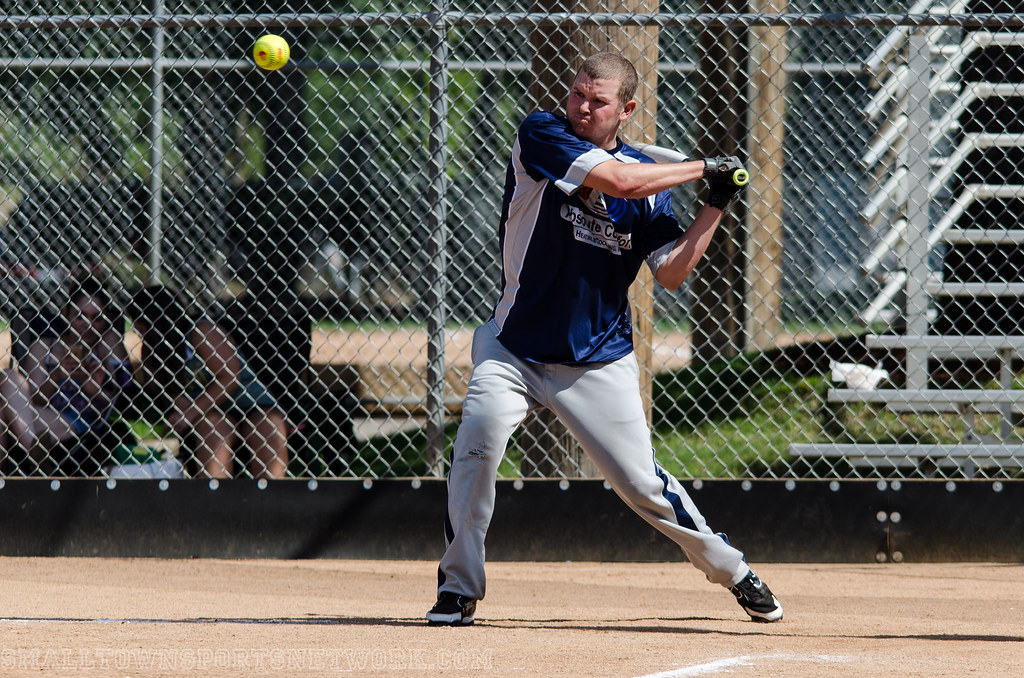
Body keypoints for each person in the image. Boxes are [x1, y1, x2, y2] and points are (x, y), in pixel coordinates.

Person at [426, 52, 783, 626]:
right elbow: (620, 179)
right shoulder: (542, 134)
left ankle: (733, 570)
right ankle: (459, 587)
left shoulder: (651, 188)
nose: (582, 107)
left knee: (642, 485)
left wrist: (716, 203)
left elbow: (669, 272)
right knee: (479, 441)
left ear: (627, 110)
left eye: (598, 100)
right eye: (577, 94)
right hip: (512, 344)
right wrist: (701, 167)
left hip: (596, 359)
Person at [126, 285, 288, 480]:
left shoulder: (200, 331)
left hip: (250, 402)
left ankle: (270, 498)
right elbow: (170, 394)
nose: (137, 329)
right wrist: (181, 410)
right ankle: (216, 501)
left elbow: (230, 378)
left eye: (141, 322)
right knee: (214, 428)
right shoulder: (152, 351)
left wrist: (190, 413)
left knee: (267, 426)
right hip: (210, 412)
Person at [0, 275, 135, 476]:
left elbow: (118, 398)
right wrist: (57, 375)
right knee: (8, 376)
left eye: (96, 318)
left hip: (78, 424)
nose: (88, 325)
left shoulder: (107, 343)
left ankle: (26, 463)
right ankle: (36, 453)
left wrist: (91, 384)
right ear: (66, 315)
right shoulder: (45, 345)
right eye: (80, 316)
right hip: (37, 415)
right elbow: (35, 397)